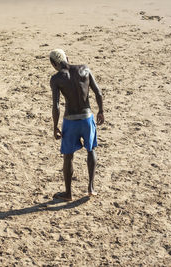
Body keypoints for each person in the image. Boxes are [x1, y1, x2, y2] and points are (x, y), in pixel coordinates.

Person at [49, 49, 104, 201]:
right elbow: (98, 92)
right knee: (91, 149)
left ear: (54, 64)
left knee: (68, 157)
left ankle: (68, 193)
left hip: (70, 121)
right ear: (67, 57)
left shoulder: (56, 79)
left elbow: (56, 106)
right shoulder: (84, 69)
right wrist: (101, 111)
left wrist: (55, 126)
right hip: (87, 118)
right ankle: (91, 187)